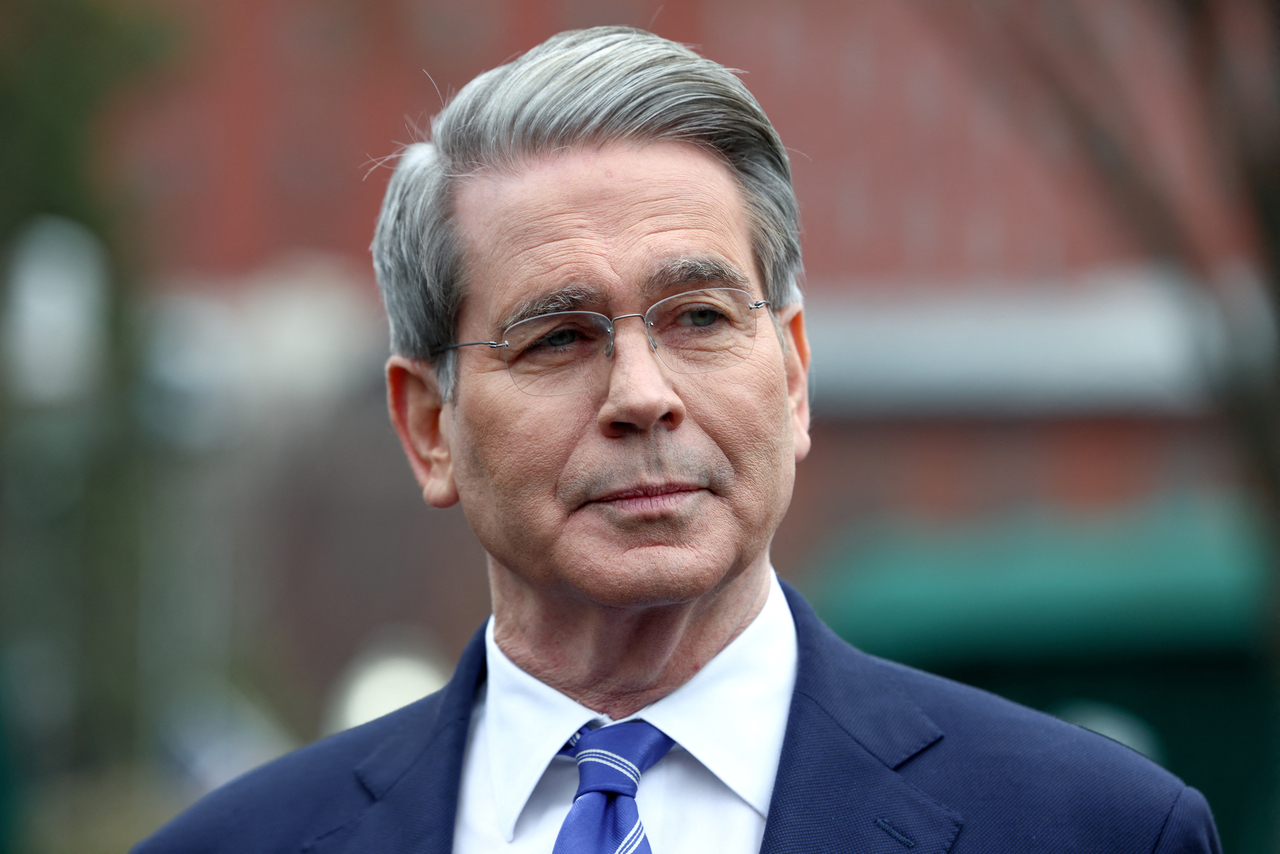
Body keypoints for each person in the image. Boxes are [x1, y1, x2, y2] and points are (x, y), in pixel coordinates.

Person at [134, 26, 1220, 853]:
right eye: (558, 338)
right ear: (429, 426)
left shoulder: (1092, 827)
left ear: (791, 373)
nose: (642, 395)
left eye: (698, 318)